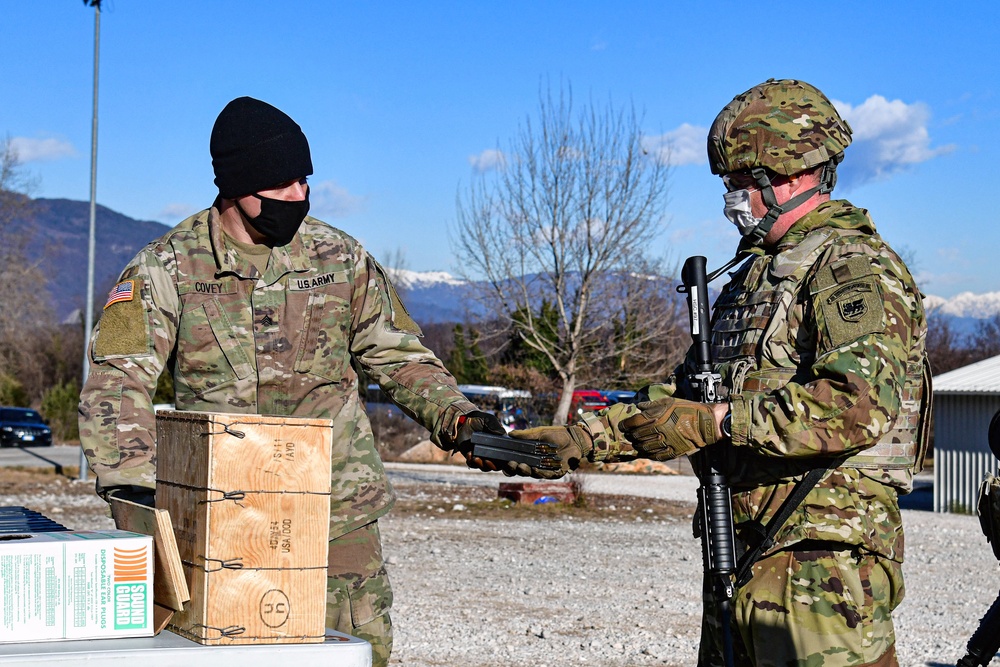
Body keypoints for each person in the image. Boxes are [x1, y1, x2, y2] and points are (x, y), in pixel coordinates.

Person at [509, 79, 931, 667]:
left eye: (737, 183)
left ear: (782, 175)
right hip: (745, 549)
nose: (731, 199)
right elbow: (682, 400)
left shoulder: (852, 266)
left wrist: (719, 420)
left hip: (821, 563)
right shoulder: (758, 276)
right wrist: (581, 440)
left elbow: (857, 404)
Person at [78, 96, 502, 667]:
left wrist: (461, 420)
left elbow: (398, 354)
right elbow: (116, 386)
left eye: (304, 180)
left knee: (356, 654)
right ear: (235, 186)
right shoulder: (166, 269)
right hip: (219, 518)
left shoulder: (340, 257)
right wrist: (137, 500)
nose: (297, 196)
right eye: (279, 184)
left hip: (336, 513)